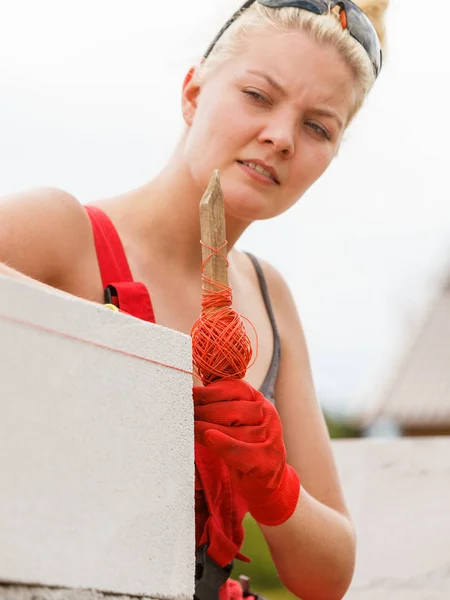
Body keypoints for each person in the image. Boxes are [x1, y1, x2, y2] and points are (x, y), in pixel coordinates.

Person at [0, 1, 389, 599]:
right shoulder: (64, 235)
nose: (281, 137)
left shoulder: (269, 297)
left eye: (319, 127)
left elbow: (326, 576)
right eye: (258, 95)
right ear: (192, 92)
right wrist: (103, 342)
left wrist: (275, 484)